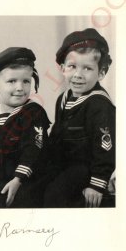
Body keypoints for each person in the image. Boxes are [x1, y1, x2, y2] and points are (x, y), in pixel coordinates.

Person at [41, 28, 115, 208]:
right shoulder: (63, 98)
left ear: (102, 72)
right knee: (34, 186)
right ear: (62, 68)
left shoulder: (99, 104)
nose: (78, 75)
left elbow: (105, 149)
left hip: (84, 169)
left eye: (87, 68)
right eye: (72, 66)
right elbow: (57, 135)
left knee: (54, 195)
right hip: (62, 163)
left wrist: (97, 185)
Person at [0, 47, 50, 208]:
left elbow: (34, 149)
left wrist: (18, 179)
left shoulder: (33, 113)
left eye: (26, 81)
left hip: (25, 181)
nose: (20, 87)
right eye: (12, 81)